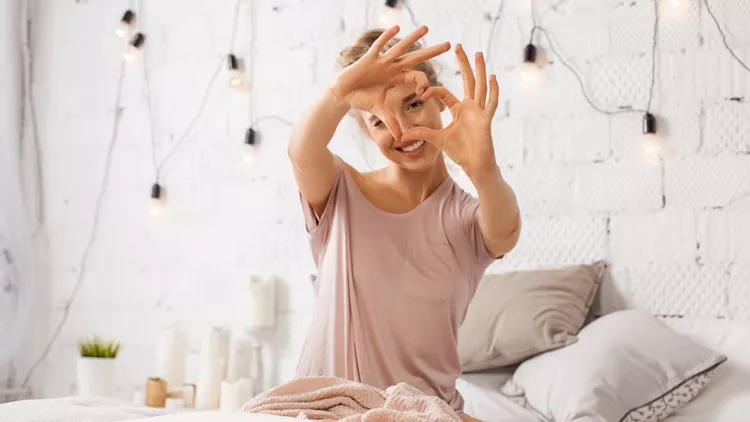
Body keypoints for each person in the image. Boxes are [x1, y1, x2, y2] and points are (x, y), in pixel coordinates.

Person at [288, 25, 521, 422]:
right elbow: (302, 151)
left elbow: (506, 232)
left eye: (413, 104)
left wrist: (484, 170)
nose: (402, 130)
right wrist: (342, 91)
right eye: (378, 121)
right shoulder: (340, 192)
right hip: (328, 409)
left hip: (425, 414)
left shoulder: (466, 218)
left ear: (438, 102)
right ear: (364, 130)